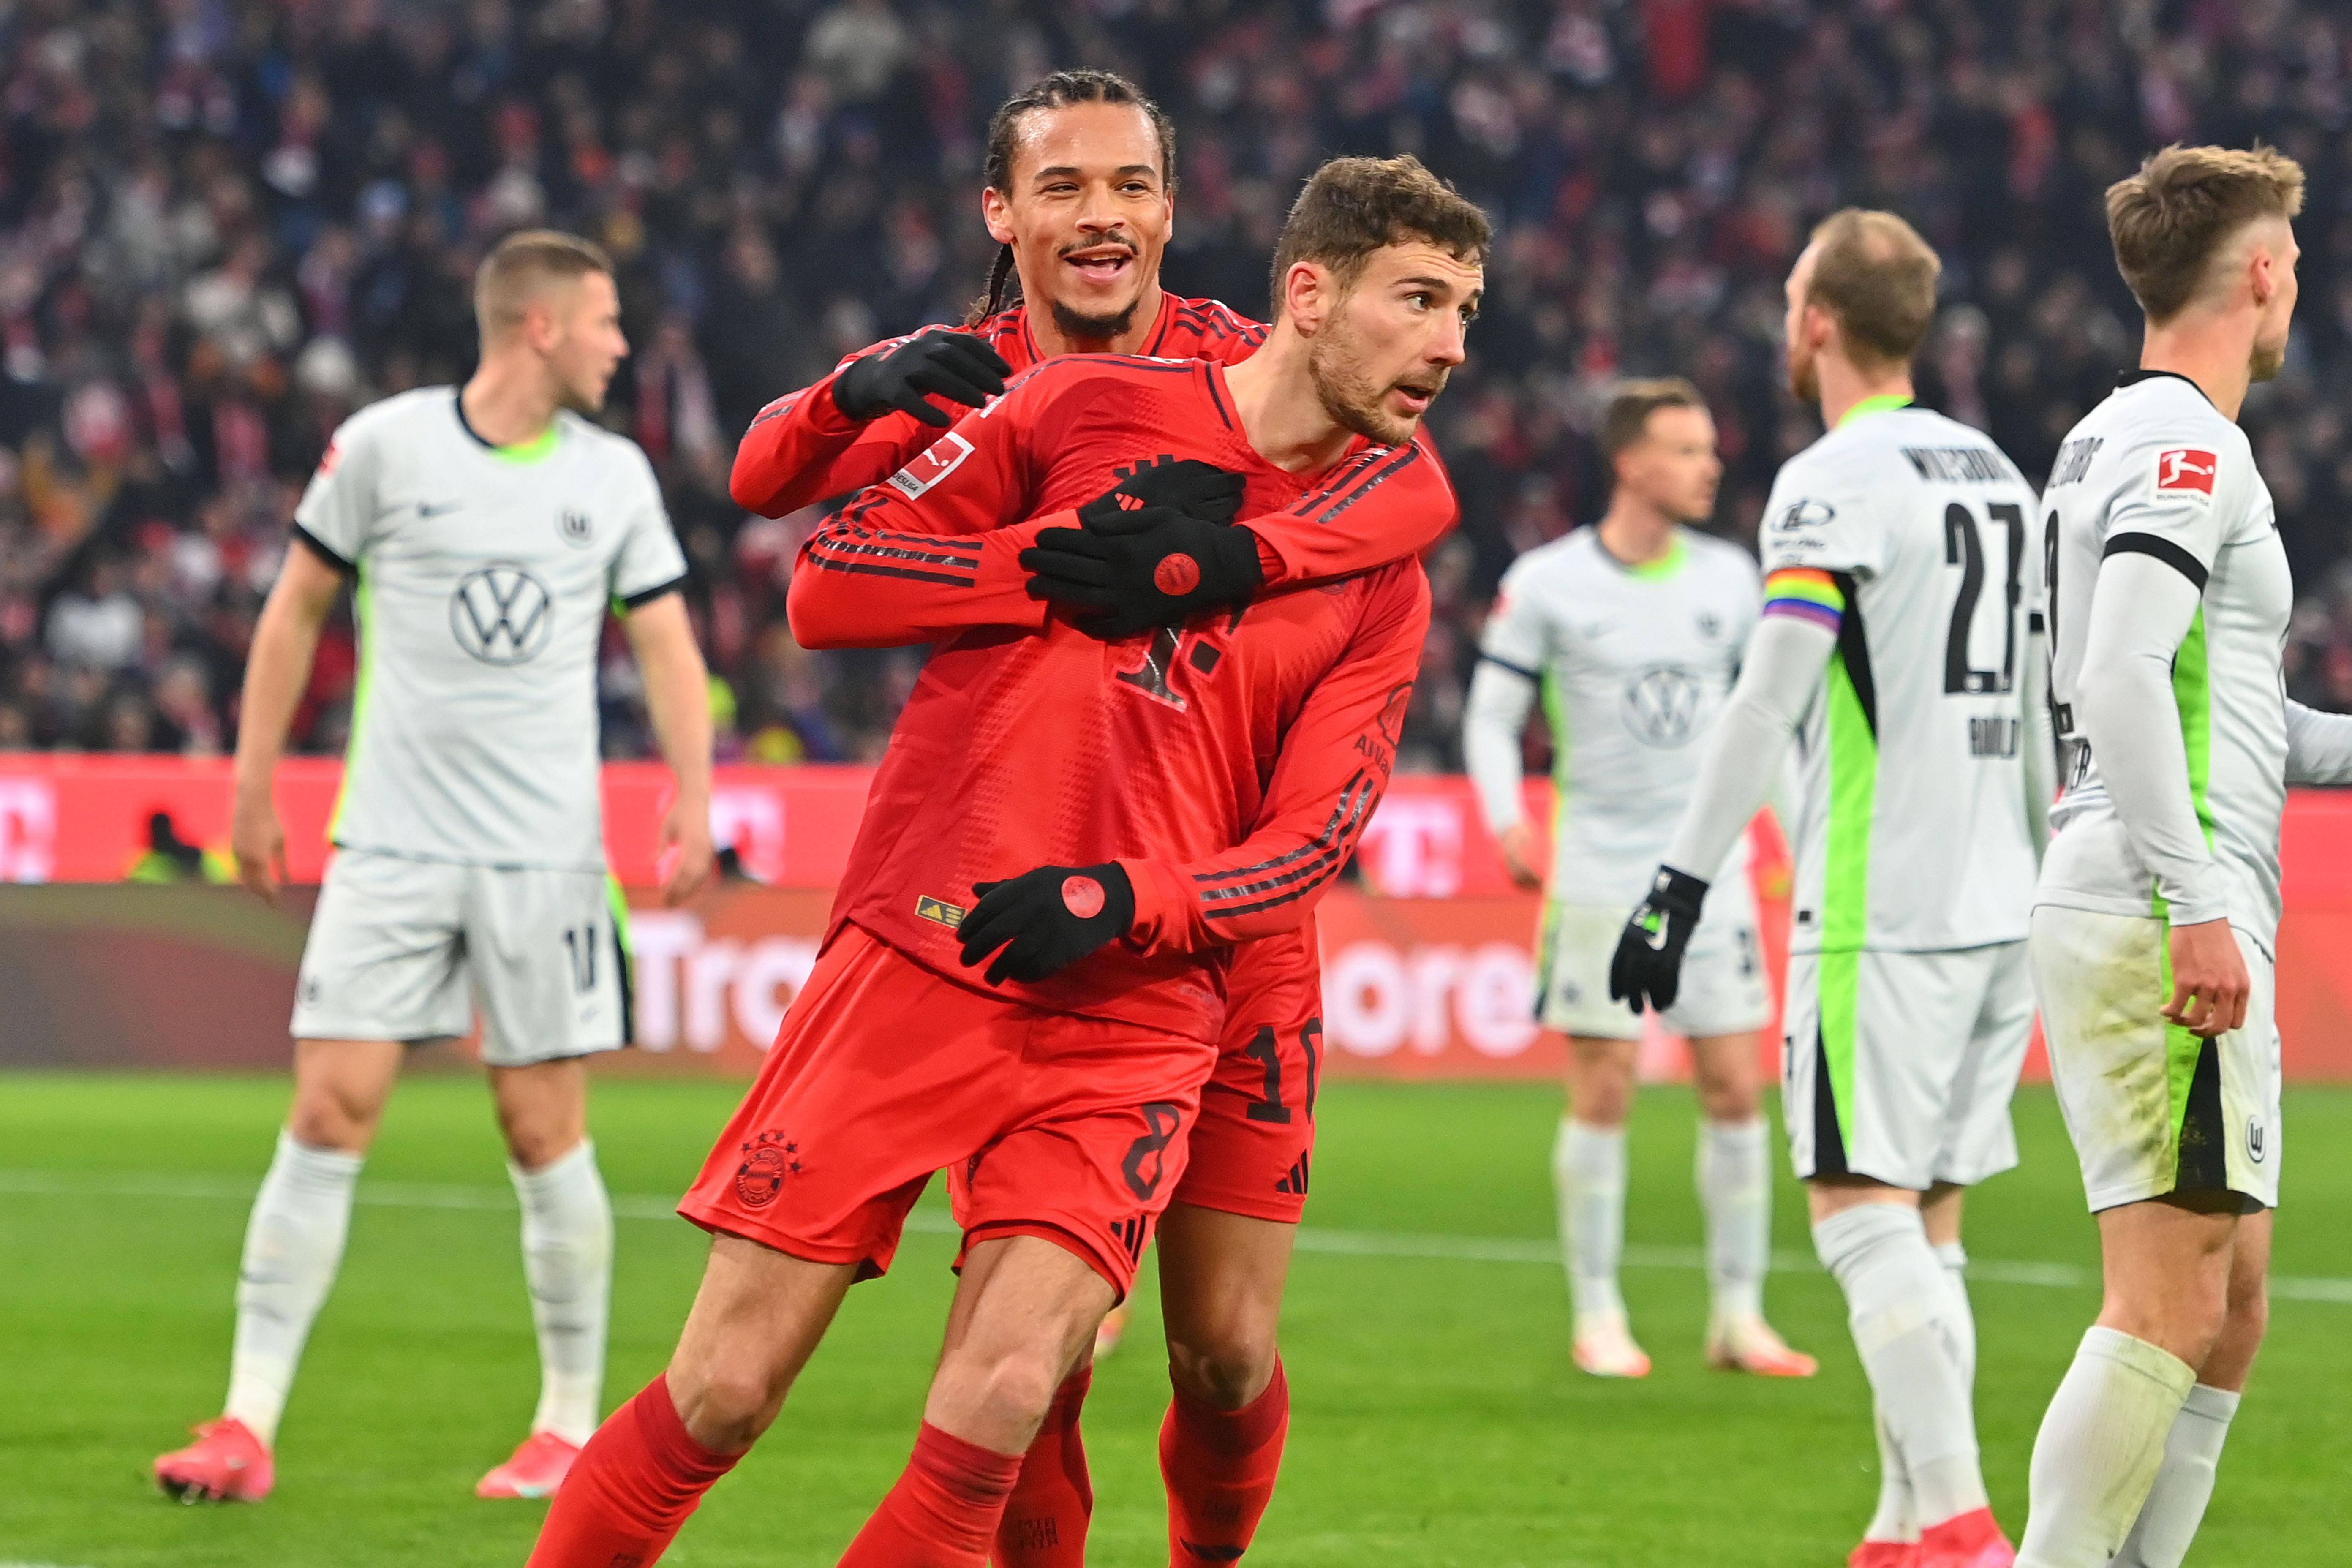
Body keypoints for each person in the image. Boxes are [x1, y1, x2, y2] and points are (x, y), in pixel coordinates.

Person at [523, 153, 1483, 1568]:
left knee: (1027, 1385)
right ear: (1312, 295)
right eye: (1419, 301)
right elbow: (826, 565)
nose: (1451, 346)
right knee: (722, 1387)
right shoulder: (1067, 397)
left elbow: (1311, 843)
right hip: (931, 942)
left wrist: (1127, 881)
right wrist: (1037, 563)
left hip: (1139, 990)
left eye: (1464, 311)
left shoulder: (1380, 564)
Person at [152, 231, 716, 1505]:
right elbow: (294, 607)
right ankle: (244, 1427)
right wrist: (248, 785)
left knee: (540, 1129)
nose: (622, 345)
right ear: (540, 326)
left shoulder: (614, 477)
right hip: (391, 845)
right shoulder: (385, 447)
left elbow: (668, 642)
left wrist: (692, 797)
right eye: (607, 322)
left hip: (545, 861)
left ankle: (567, 1427)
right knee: (326, 1111)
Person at [1610, 210, 2052, 1568]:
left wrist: (1676, 885)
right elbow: (2042, 708)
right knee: (1931, 1227)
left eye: (1791, 296)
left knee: (1858, 1216)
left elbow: (1767, 700)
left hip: (1881, 904)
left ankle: (1968, 1530)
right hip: (2000, 901)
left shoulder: (1831, 478)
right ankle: (1901, 1522)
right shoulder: (2000, 474)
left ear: (1816, 321)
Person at [2016, 143, 2352, 1568]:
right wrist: (2195, 901)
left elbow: (2229, 708)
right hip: (2164, 900)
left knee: (2229, 1302)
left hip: (2161, 883)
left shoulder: (2117, 435)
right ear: (2263, 269)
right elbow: (2116, 676)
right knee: (2161, 1300)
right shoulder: (2181, 448)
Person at [1463, 377, 1812, 1381]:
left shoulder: (1732, 577)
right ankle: (1599, 1311)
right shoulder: (1547, 582)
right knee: (1606, 1081)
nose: (1711, 464)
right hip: (1602, 867)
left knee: (1737, 1083)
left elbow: (1769, 728)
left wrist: (1798, 839)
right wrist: (1506, 817)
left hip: (1714, 871)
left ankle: (1739, 1316)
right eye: (1689, 449)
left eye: (1710, 447)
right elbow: (1491, 717)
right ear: (1632, 463)